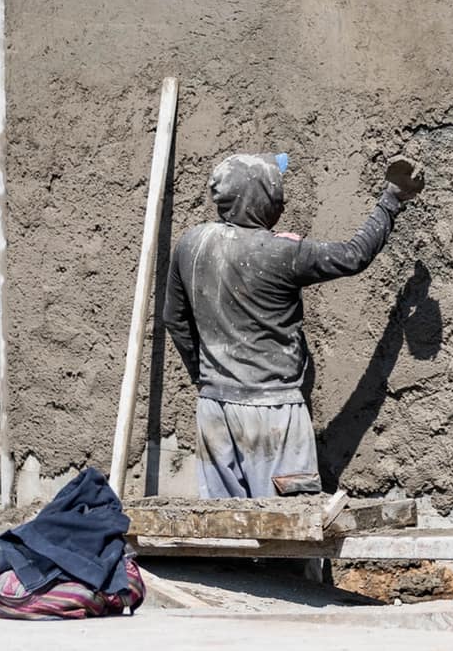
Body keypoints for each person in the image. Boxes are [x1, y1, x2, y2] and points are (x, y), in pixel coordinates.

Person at [162, 153, 424, 499]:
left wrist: (204, 376)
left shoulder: (190, 244)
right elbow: (353, 255)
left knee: (224, 533)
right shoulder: (283, 254)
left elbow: (173, 319)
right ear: (265, 203)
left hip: (215, 409)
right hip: (274, 415)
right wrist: (391, 198)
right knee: (292, 530)